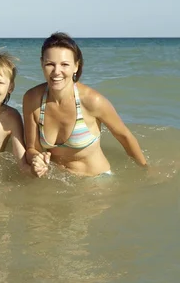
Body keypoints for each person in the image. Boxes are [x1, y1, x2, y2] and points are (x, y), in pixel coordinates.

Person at [23, 32, 148, 177]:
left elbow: (124, 136)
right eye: (50, 64)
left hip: (97, 182)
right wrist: (36, 160)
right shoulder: (32, 99)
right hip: (59, 182)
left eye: (65, 64)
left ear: (76, 66)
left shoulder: (92, 101)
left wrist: (145, 171)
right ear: (42, 64)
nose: (56, 71)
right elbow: (32, 148)